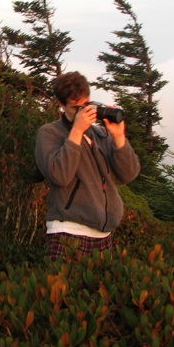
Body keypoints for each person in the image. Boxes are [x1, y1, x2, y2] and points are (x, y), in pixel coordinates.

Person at [35, 71, 140, 260]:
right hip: (67, 231)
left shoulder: (101, 134)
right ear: (61, 105)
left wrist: (118, 136)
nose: (82, 112)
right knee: (62, 289)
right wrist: (76, 131)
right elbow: (59, 175)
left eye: (86, 105)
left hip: (103, 234)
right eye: (76, 108)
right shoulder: (49, 133)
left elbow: (129, 174)